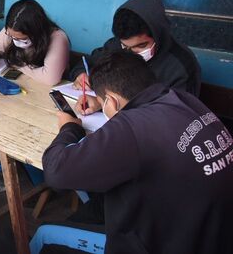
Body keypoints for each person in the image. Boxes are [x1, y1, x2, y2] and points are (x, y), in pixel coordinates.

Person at [32, 50, 233, 254]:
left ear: (111, 100)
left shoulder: (131, 128)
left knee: (43, 236)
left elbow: (55, 171)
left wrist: (69, 128)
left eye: (103, 103)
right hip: (213, 234)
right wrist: (102, 107)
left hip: (164, 242)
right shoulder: (185, 100)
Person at [70, 0, 201, 116]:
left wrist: (108, 105)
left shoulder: (182, 65)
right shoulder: (116, 46)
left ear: (158, 34)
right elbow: (87, 63)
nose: (132, 53)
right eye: (125, 46)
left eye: (141, 46)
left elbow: (176, 116)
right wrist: (81, 75)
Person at [0, 0, 70, 86]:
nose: (15, 40)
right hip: (24, 84)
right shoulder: (12, 29)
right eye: (11, 36)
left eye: (22, 39)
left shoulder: (58, 38)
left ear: (36, 32)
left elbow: (50, 78)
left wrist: (16, 65)